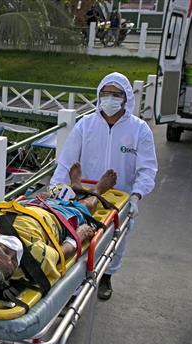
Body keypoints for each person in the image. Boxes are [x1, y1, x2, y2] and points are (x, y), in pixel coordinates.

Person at [50, 72, 157, 300]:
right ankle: (75, 284)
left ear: (126, 97)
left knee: (115, 243)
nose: (110, 99)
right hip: (85, 197)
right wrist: (56, 188)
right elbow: (66, 161)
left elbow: (147, 168)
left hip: (119, 199)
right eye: (105, 93)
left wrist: (137, 196)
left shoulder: (139, 130)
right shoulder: (85, 125)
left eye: (116, 94)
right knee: (80, 237)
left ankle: (107, 276)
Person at [0, 165, 117, 293]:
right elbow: (62, 252)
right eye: (13, 262)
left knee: (52, 195)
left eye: (4, 249)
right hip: (56, 218)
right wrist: (78, 236)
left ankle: (74, 187)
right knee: (85, 206)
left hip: (24, 206)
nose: (14, 251)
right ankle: (97, 190)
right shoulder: (35, 258)